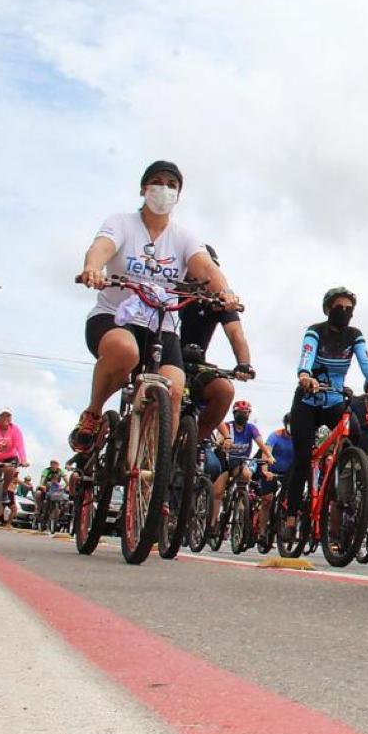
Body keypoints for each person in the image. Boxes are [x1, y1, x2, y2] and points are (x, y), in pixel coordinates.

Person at [71, 160, 239, 453]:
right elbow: (101, 247)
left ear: (178, 194)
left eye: (172, 185)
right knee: (125, 351)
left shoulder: (184, 237)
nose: (164, 189)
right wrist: (93, 268)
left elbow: (205, 267)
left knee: (173, 390)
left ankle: (154, 476)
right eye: (158, 182)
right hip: (114, 317)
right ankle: (94, 411)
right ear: (143, 188)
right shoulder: (122, 223)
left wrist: (224, 291)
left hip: (161, 328)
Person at [284, 288, 368, 535]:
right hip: (307, 401)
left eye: (348, 309)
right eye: (338, 308)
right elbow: (307, 354)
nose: (344, 313)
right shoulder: (315, 331)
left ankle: (340, 474)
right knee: (302, 459)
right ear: (327, 310)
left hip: (334, 400)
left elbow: (366, 362)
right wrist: (304, 375)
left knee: (354, 431)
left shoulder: (354, 336)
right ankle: (291, 518)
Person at [179, 244, 255, 438]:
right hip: (162, 358)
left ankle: (191, 448)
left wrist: (244, 364)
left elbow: (236, 335)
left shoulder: (220, 301)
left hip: (195, 364)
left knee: (225, 390)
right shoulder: (170, 289)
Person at [210, 400, 273, 538]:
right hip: (225, 461)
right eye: (240, 413)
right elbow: (220, 439)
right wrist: (223, 442)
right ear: (234, 413)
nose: (243, 415)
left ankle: (240, 502)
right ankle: (213, 523)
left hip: (240, 462)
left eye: (245, 413)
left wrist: (269, 456)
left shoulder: (251, 428)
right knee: (219, 491)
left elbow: (260, 443)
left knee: (246, 475)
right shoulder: (228, 427)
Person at [256, 414, 294, 540]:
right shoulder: (275, 436)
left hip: (288, 475)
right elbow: (266, 452)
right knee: (267, 500)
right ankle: (262, 532)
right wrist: (265, 471)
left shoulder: (299, 437)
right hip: (272, 472)